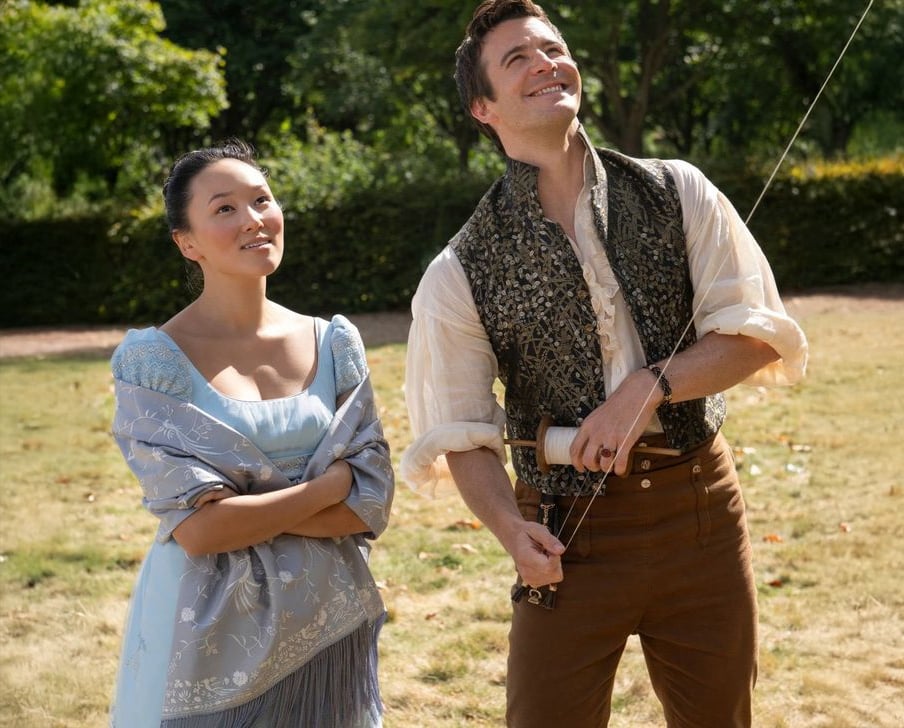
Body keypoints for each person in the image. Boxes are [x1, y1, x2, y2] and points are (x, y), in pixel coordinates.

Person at [400, 1, 808, 726]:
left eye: (553, 48)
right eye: (517, 59)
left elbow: (755, 336)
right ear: (482, 108)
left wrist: (649, 386)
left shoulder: (678, 190)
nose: (546, 64)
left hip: (699, 509)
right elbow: (461, 434)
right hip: (564, 534)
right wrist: (511, 531)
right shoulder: (459, 269)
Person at [108, 139, 394, 727]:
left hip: (328, 619)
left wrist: (245, 508)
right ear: (186, 243)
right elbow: (201, 531)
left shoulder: (335, 343)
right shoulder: (152, 362)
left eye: (261, 200)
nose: (253, 219)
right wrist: (324, 488)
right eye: (224, 208)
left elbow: (369, 503)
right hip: (203, 629)